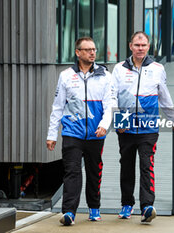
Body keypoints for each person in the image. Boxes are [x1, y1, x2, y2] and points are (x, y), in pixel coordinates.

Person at [111, 31, 174, 223]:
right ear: (130, 46)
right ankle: (127, 204)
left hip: (148, 127)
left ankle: (147, 207)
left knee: (146, 165)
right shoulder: (118, 69)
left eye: (143, 45)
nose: (140, 48)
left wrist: (173, 119)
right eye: (136, 45)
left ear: (148, 47)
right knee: (126, 166)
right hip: (125, 128)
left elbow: (164, 96)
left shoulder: (158, 68)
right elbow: (112, 96)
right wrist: (120, 122)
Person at [46, 37, 113, 225]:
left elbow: (109, 106)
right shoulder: (66, 75)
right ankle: (69, 212)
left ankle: (94, 207)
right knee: (72, 172)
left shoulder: (105, 76)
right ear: (78, 52)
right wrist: (52, 135)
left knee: (94, 172)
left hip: (95, 133)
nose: (92, 53)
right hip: (72, 133)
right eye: (87, 50)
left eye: (94, 49)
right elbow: (58, 107)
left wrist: (104, 125)